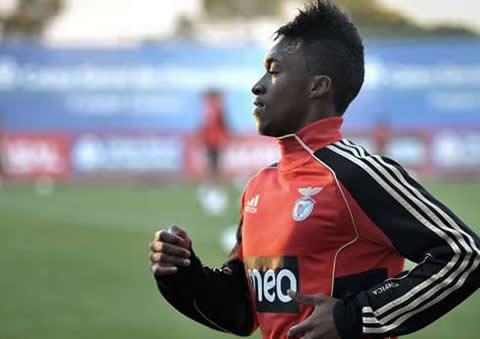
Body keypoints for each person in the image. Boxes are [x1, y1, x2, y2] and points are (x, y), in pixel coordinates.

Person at [149, 1, 480, 339]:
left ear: (318, 86)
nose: (258, 85)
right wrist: (182, 273)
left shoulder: (355, 175)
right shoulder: (260, 186)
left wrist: (353, 317)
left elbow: (464, 254)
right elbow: (241, 311)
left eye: (274, 71)